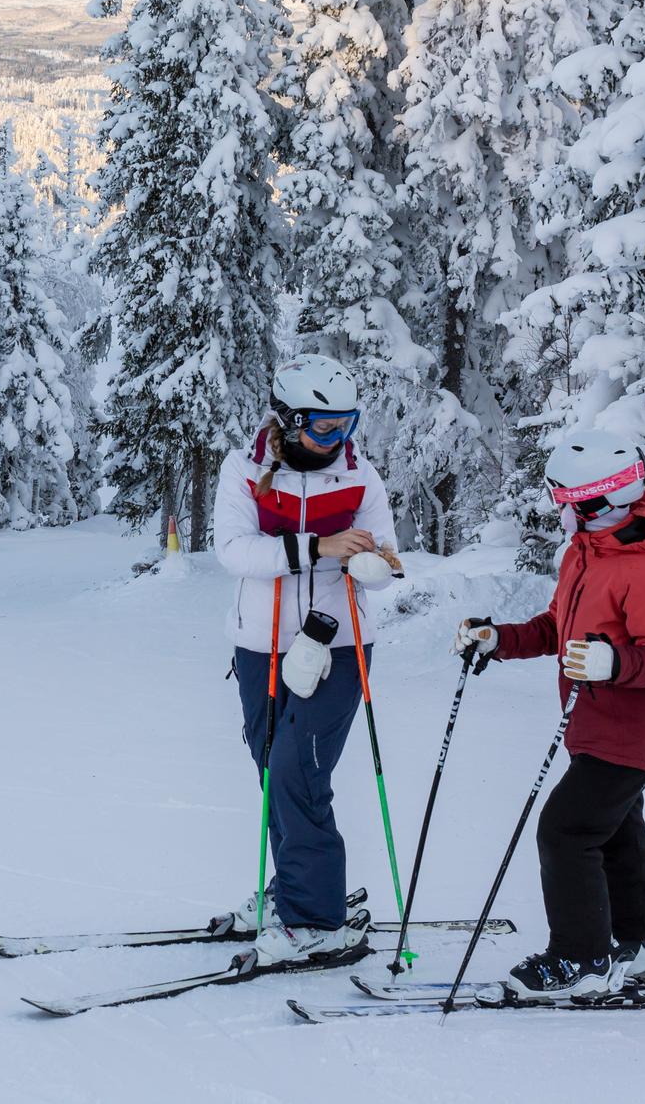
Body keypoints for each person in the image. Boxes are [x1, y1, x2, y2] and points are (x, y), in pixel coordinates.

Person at [455, 428, 645, 998]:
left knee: (566, 830)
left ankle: (581, 958)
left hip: (630, 728)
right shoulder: (586, 553)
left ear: (601, 499)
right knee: (614, 830)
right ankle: (638, 945)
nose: (560, 511)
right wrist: (498, 638)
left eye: (567, 500)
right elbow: (554, 630)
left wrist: (614, 663)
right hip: (591, 724)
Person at [214, 354, 401, 967]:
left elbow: (386, 561)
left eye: (347, 424)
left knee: (299, 772)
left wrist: (374, 563)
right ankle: (297, 887)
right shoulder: (243, 470)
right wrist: (318, 547)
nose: (338, 438)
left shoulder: (359, 475)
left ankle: (318, 919)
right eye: (324, 427)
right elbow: (235, 551)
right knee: (275, 775)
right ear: (289, 421)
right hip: (258, 645)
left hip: (339, 645)